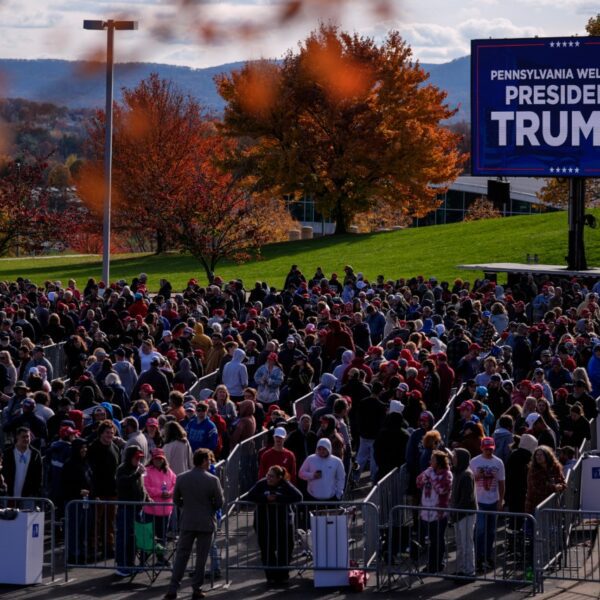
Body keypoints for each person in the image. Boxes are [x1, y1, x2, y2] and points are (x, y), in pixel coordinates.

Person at [164, 448, 225, 600]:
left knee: (181, 557)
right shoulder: (212, 480)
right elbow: (219, 502)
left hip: (187, 521)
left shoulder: (181, 478)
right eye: (209, 460)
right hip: (206, 522)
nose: (210, 463)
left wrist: (187, 507)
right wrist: (208, 507)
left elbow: (176, 500)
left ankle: (172, 589)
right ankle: (196, 589)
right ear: (204, 461)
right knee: (201, 558)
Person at [246, 465, 303, 585]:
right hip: (264, 523)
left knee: (286, 548)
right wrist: (265, 498)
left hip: (283, 523)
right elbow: (250, 496)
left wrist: (279, 498)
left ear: (279, 478)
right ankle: (271, 575)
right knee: (267, 550)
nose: (268, 478)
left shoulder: (285, 484)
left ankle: (283, 574)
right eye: (267, 475)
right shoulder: (261, 484)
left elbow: (298, 497)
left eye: (271, 476)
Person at [470, 436, 505, 571]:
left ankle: (488, 556)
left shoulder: (498, 463)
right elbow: (470, 480)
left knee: (490, 531)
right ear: (481, 448)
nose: (488, 452)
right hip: (479, 501)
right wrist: (478, 476)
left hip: (493, 500)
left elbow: (502, 482)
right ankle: (478, 557)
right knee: (480, 530)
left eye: (490, 449)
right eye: (486, 449)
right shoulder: (474, 462)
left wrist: (500, 500)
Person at [416, 450, 453, 573]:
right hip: (426, 512)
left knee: (438, 539)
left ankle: (439, 563)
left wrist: (431, 477)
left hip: (439, 514)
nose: (430, 461)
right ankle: (431, 564)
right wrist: (426, 475)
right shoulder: (429, 471)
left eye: (432, 459)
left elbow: (442, 489)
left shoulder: (447, 475)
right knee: (431, 540)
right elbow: (418, 482)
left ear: (439, 462)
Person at [115, 445, 147, 576]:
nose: (138, 461)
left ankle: (130, 563)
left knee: (134, 539)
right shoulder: (122, 469)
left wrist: (147, 497)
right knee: (124, 537)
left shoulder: (136, 469)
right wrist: (137, 474)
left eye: (140, 458)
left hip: (137, 509)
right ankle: (122, 565)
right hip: (126, 509)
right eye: (136, 458)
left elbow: (140, 487)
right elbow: (122, 484)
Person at [142, 448, 177, 564]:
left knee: (162, 536)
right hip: (150, 509)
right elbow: (145, 487)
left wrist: (170, 493)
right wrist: (160, 493)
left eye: (160, 459)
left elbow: (175, 484)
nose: (158, 461)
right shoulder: (147, 471)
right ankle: (144, 558)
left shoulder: (169, 472)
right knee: (148, 535)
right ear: (152, 459)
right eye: (156, 459)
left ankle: (161, 557)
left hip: (165, 510)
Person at [450, 448, 477, 579]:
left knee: (467, 543)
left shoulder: (466, 474)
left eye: (455, 457)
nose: (452, 458)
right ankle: (460, 569)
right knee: (460, 543)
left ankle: (469, 571)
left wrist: (456, 511)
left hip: (466, 514)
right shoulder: (457, 473)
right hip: (458, 513)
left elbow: (467, 498)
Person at [2, 426, 43, 499]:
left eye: (28, 437)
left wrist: (35, 492)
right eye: (23, 437)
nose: (26, 439)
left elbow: (39, 476)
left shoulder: (35, 454)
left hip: (28, 496)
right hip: (9, 495)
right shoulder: (8, 453)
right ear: (17, 437)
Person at [524, 446, 566, 514]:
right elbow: (537, 488)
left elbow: (563, 483)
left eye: (541, 455)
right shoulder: (533, 471)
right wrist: (554, 487)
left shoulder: (555, 468)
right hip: (535, 505)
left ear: (547, 456)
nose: (538, 457)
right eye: (537, 455)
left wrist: (561, 486)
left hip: (552, 507)